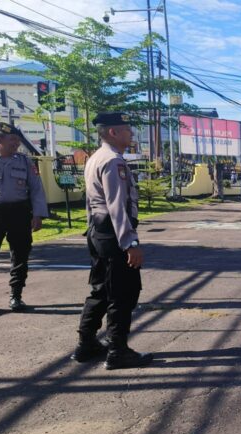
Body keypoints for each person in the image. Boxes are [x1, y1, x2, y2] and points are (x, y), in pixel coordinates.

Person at [72, 112, 152, 369]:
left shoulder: (95, 157)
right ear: (113, 132)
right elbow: (117, 205)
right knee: (123, 292)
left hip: (99, 231)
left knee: (101, 290)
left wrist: (93, 233)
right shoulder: (113, 161)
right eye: (127, 129)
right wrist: (131, 243)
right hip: (114, 235)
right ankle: (118, 351)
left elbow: (91, 202)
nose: (131, 133)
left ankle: (86, 344)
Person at [0, 122, 48, 311]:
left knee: (20, 255)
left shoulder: (25, 162)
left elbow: (36, 189)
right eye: (13, 139)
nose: (16, 143)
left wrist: (38, 214)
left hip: (19, 212)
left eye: (18, 140)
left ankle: (16, 296)